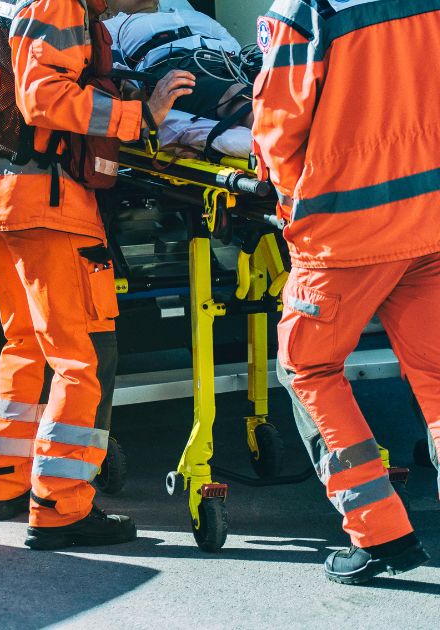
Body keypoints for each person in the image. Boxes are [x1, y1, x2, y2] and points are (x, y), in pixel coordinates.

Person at [0, 0, 193, 550]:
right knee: (80, 355)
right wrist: (140, 114)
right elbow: (41, 97)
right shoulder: (60, 4)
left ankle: (5, 483)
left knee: (25, 345)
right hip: (44, 199)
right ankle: (60, 507)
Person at [252, 0, 440, 585]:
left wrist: (291, 207)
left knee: (307, 367)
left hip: (346, 231)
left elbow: (278, 128)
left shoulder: (308, 8)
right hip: (431, 216)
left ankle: (379, 532)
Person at [105, 2, 255, 127]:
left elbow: (236, 47)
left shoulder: (194, 15)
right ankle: (267, 124)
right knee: (233, 95)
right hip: (175, 65)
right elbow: (109, 70)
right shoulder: (111, 26)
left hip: (231, 61)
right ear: (106, 7)